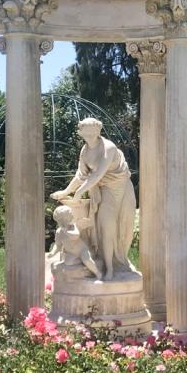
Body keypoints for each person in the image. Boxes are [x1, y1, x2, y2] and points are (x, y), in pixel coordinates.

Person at [51, 118, 136, 281]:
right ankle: (109, 268)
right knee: (107, 228)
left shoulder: (108, 147)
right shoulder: (84, 152)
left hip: (124, 190)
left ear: (99, 131)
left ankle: (121, 262)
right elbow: (81, 176)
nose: (90, 135)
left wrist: (78, 194)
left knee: (126, 228)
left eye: (93, 132)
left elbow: (97, 174)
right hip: (106, 193)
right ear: (80, 133)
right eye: (86, 132)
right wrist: (66, 192)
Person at [48, 205, 100, 280]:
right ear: (63, 219)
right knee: (68, 263)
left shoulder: (73, 227)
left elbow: (75, 235)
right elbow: (58, 245)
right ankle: (80, 264)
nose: (72, 217)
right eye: (70, 216)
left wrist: (66, 230)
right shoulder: (59, 232)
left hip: (82, 251)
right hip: (71, 253)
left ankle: (98, 273)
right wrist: (52, 253)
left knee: (87, 260)